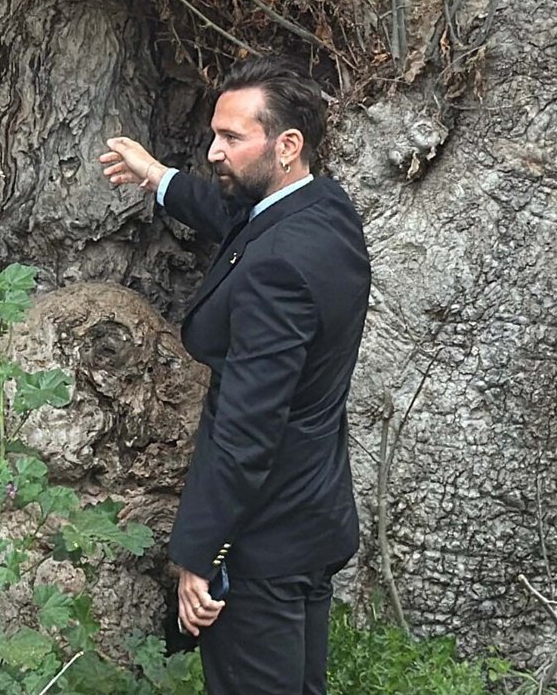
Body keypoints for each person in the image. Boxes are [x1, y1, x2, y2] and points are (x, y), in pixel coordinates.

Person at [98, 55, 370, 694]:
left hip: (262, 540)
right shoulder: (325, 210)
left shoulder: (277, 272)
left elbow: (246, 430)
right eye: (214, 135)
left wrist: (199, 554)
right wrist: (159, 178)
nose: (213, 152)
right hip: (314, 517)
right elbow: (242, 219)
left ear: (287, 145)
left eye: (231, 137)